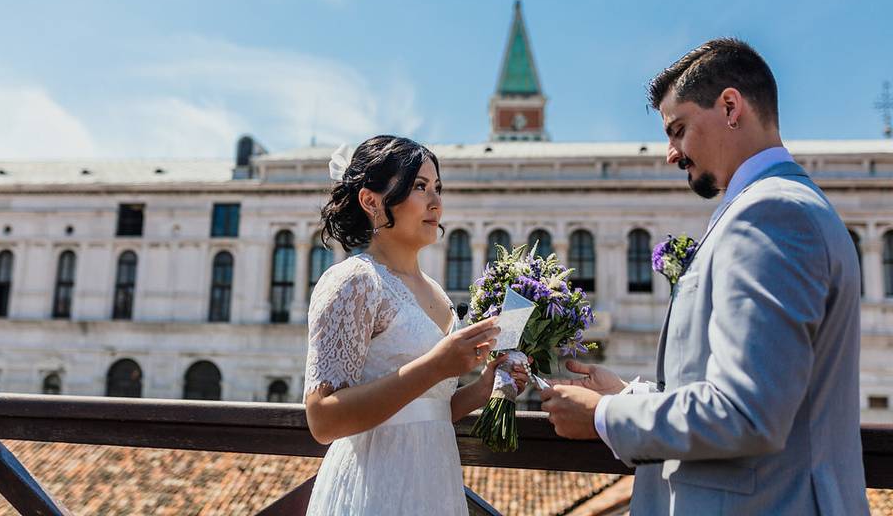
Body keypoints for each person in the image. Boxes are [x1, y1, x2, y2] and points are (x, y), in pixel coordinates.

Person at [540, 38, 869, 514]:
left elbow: (745, 412)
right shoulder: (775, 207)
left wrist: (604, 416)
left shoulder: (771, 213)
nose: (671, 154)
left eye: (678, 129)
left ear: (731, 107)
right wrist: (629, 395)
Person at [304, 134, 527, 515]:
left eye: (438, 188)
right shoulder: (355, 281)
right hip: (373, 485)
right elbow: (322, 419)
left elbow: (430, 410)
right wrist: (439, 364)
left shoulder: (439, 296)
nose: (436, 203)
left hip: (435, 482)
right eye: (419, 187)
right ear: (371, 201)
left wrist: (486, 386)